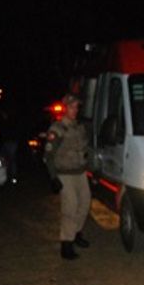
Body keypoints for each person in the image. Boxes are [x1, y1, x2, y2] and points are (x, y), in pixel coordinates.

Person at [44, 93, 92, 260]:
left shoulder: (79, 127)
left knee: (85, 204)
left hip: (80, 172)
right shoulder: (57, 129)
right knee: (69, 208)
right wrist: (53, 177)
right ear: (65, 108)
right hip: (65, 174)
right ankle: (66, 244)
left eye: (76, 107)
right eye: (72, 107)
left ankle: (76, 233)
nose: (75, 110)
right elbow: (49, 155)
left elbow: (86, 149)